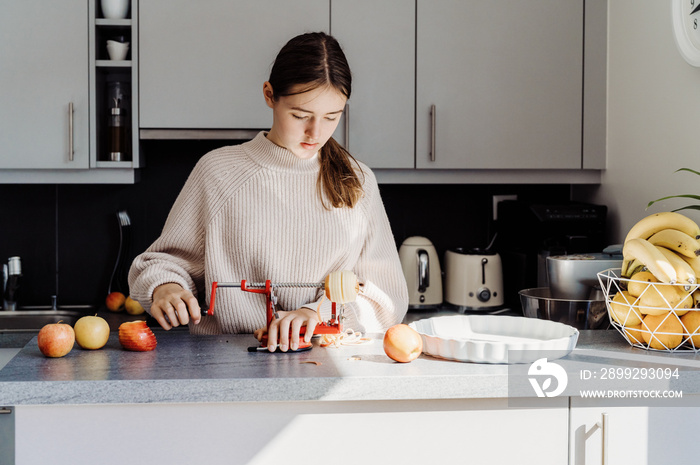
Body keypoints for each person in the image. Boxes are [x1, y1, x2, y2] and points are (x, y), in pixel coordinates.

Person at [128, 32, 408, 352]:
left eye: (332, 117)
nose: (315, 133)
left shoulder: (358, 182)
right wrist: (165, 287)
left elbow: (388, 300)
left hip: (323, 361)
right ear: (269, 95)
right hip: (227, 364)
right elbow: (164, 263)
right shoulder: (218, 172)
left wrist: (315, 314)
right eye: (300, 115)